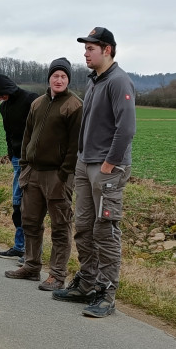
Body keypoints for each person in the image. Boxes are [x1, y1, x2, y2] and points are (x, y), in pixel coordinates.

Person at [52, 27, 137, 319]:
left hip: (106, 169)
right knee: (85, 227)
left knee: (105, 231)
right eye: (85, 49)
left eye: (91, 49)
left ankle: (106, 293)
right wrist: (81, 159)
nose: (85, 53)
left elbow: (126, 128)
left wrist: (109, 164)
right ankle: (86, 283)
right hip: (85, 164)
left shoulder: (118, 81)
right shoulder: (94, 82)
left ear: (107, 50)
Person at [5, 58, 83, 290]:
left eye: (63, 77)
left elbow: (75, 145)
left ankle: (57, 275)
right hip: (33, 173)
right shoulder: (37, 103)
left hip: (58, 175)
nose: (58, 80)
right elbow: (28, 135)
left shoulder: (74, 105)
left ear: (68, 80)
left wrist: (64, 174)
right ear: (48, 78)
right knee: (30, 222)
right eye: (55, 76)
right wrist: (26, 167)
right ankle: (31, 266)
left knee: (60, 227)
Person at [0, 73, 40, 259]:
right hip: (17, 160)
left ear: (7, 88)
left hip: (32, 161)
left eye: (1, 94)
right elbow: (8, 134)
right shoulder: (4, 107)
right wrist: (11, 154)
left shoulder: (32, 100)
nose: (0, 98)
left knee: (29, 204)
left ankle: (29, 251)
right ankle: (20, 246)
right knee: (17, 203)